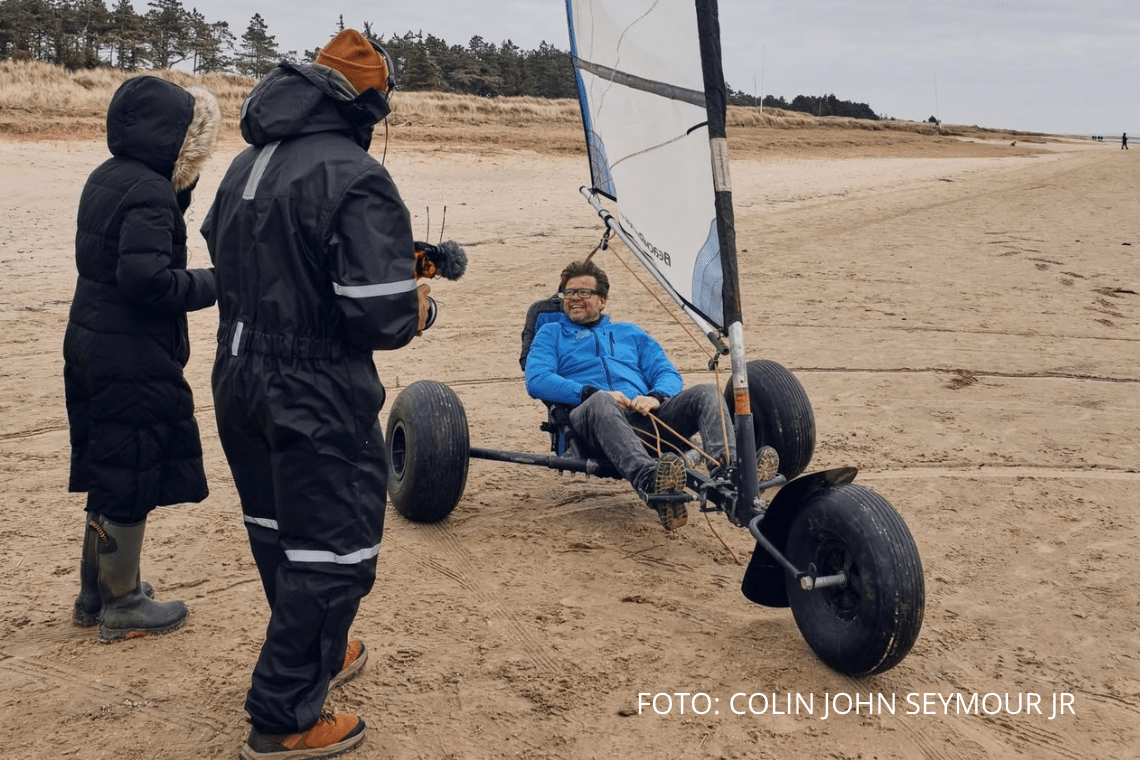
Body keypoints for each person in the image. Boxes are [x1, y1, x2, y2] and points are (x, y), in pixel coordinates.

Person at [202, 29, 435, 760]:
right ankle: (282, 717)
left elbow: (228, 248)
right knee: (334, 549)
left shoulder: (246, 161)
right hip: (315, 387)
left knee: (277, 530)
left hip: (238, 373)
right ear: (368, 104)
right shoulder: (355, 173)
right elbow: (380, 313)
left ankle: (320, 653)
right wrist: (419, 302)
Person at [64, 76, 221, 642]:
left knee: (110, 464)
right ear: (174, 138)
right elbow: (145, 281)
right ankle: (123, 602)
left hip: (89, 337)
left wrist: (175, 193)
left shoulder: (109, 176)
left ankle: (95, 593)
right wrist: (215, 283)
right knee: (131, 467)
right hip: (127, 349)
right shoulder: (148, 191)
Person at [525, 259, 770, 531]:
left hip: (647, 417)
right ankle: (650, 479)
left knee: (705, 392)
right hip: (591, 419)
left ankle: (732, 473)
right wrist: (590, 392)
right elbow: (537, 380)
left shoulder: (630, 333)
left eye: (584, 292)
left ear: (602, 301)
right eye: (569, 293)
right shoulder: (551, 333)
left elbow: (668, 373)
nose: (574, 299)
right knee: (601, 401)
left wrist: (657, 397)